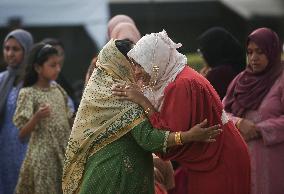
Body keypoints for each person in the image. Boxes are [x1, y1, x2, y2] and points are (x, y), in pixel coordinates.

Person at [62, 39, 222, 194]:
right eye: (134, 62)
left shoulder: (99, 91)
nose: (138, 68)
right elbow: (149, 140)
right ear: (121, 64)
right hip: (119, 177)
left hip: (97, 173)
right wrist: (188, 136)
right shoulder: (124, 94)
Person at [112, 30, 251, 194]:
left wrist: (142, 101)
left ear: (156, 61)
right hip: (212, 156)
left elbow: (167, 139)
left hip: (221, 160)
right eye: (135, 65)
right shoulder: (174, 78)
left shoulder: (181, 85)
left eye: (141, 65)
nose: (136, 72)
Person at [223, 27, 284, 194]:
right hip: (242, 160)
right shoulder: (241, 80)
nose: (254, 58)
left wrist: (259, 129)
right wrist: (239, 122)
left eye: (260, 52)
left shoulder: (281, 80)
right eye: (250, 52)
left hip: (273, 163)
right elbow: (220, 113)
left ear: (273, 52)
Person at [13, 43, 73, 194]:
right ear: (38, 68)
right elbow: (22, 133)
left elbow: (69, 120)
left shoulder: (58, 90)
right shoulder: (28, 93)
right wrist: (37, 117)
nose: (58, 69)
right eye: (52, 65)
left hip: (63, 154)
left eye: (59, 65)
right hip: (43, 159)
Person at [0, 29, 33, 194]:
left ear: (27, 51)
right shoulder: (1, 80)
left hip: (27, 148)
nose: (10, 53)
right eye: (7, 48)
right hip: (3, 147)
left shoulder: (34, 81)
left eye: (15, 49)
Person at [197, 27, 245, 99]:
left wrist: (200, 80)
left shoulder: (218, 74)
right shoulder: (237, 66)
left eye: (203, 51)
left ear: (213, 50)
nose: (202, 56)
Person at [41, 38, 76, 111]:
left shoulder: (64, 81)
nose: (59, 59)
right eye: (54, 55)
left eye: (61, 54)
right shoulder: (37, 84)